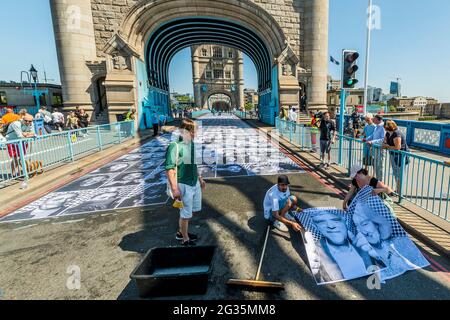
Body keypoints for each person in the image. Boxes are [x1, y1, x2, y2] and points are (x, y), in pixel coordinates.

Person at [352, 202, 427, 280]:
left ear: (376, 224)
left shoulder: (398, 242)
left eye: (365, 224)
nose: (363, 232)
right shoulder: (363, 249)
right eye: (357, 227)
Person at [308, 210, 385, 284]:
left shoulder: (363, 240)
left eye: (335, 220)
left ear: (345, 221)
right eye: (321, 222)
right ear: (316, 226)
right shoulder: (315, 251)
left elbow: (387, 267)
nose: (331, 226)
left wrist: (377, 255)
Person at [165, 118, 206, 246]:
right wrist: (175, 189)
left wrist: (200, 178)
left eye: (195, 131)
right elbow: (170, 169)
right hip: (183, 184)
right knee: (185, 213)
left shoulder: (192, 144)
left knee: (192, 210)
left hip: (194, 182)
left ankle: (181, 231)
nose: (195, 134)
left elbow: (193, 163)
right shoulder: (175, 146)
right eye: (192, 131)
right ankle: (184, 238)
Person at [382, 120, 410, 194]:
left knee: (400, 174)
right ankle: (398, 190)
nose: (384, 127)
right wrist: (387, 146)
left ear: (388, 127)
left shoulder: (396, 133)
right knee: (395, 173)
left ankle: (400, 192)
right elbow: (383, 144)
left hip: (401, 156)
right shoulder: (388, 133)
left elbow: (397, 147)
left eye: (385, 126)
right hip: (393, 155)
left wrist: (387, 146)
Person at [365, 115, 386, 180]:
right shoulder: (377, 126)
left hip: (380, 149)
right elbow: (373, 135)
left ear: (378, 120)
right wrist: (366, 139)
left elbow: (383, 139)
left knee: (380, 166)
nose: (373, 120)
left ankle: (380, 182)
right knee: (376, 165)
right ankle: (377, 181)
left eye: (374, 119)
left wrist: (372, 142)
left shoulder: (383, 127)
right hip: (375, 149)